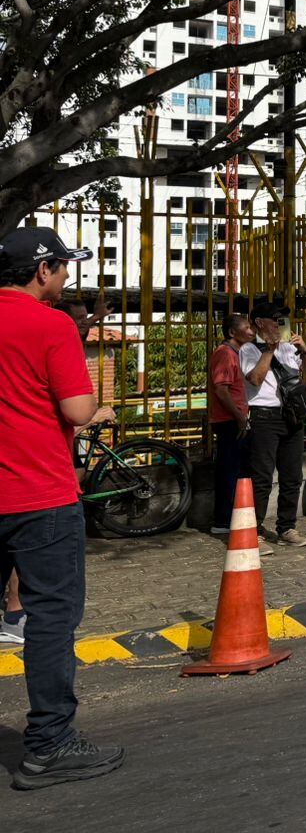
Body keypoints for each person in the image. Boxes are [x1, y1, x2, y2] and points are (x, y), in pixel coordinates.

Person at [0, 227, 123, 789]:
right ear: (42, 269)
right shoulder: (50, 325)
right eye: (64, 266)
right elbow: (76, 408)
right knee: (50, 619)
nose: (68, 275)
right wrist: (91, 405)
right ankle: (50, 745)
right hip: (38, 495)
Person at [239, 302, 306, 547]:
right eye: (276, 319)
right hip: (265, 417)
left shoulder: (289, 348)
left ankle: (287, 528)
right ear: (260, 322)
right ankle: (255, 530)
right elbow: (255, 379)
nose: (280, 324)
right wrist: (269, 350)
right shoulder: (249, 349)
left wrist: (304, 350)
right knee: (262, 477)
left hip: (291, 416)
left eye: (283, 319)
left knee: (292, 475)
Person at [207, 313, 257, 536]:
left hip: (236, 418)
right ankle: (223, 519)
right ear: (232, 332)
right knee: (229, 470)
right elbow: (221, 389)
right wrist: (238, 416)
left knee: (239, 470)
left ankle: (233, 515)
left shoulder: (238, 354)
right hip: (228, 420)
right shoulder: (225, 354)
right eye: (246, 328)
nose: (251, 332)